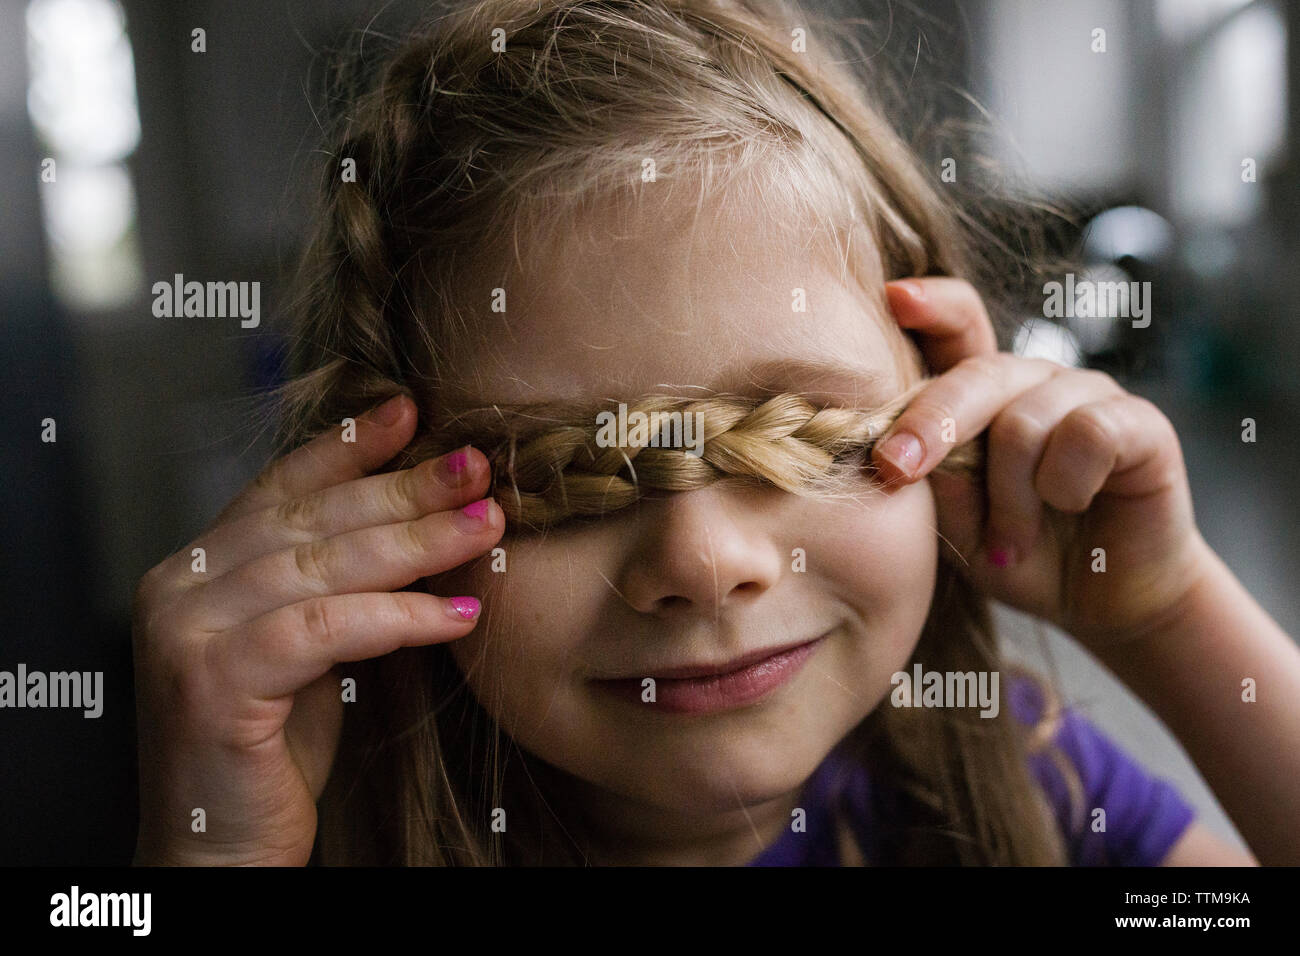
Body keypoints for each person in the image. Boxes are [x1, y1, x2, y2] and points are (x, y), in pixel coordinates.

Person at [130, 0, 1294, 866]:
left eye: (801, 436)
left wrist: (1165, 614)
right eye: (560, 477)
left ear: (949, 395)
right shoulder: (304, 846)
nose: (701, 560)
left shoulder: (1034, 797)